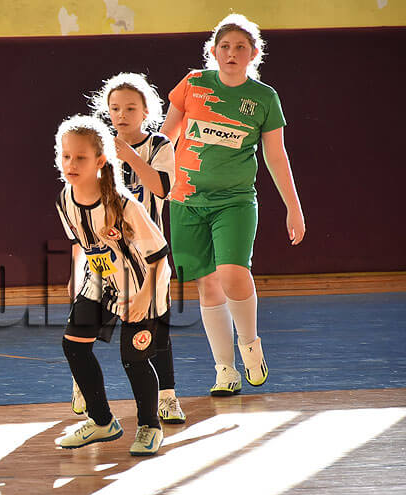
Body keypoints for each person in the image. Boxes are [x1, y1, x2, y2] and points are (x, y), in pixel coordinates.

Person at [160, 13, 305, 395]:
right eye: (225, 46)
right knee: (207, 285)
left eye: (240, 47)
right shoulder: (193, 84)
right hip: (185, 199)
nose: (231, 52)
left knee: (232, 273)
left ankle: (250, 345)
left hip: (234, 201)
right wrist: (146, 180)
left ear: (254, 53)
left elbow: (276, 156)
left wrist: (293, 207)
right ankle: (225, 370)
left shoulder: (263, 98)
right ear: (213, 51)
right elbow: (166, 137)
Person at [53, 116, 171, 456]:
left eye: (81, 157)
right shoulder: (65, 200)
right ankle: (102, 421)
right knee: (74, 346)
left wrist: (146, 296)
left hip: (141, 284)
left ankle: (150, 426)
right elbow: (83, 245)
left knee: (133, 359)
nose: (71, 164)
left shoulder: (123, 205)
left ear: (100, 161)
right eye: (66, 156)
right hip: (100, 281)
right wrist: (77, 279)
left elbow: (159, 256)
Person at [81, 71, 186, 424]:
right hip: (107, 252)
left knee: (156, 324)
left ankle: (167, 397)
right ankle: (82, 384)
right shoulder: (97, 146)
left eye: (129, 108)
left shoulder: (158, 145)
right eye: (114, 108)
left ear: (146, 111)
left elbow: (162, 189)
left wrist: (129, 156)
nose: (121, 115)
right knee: (88, 318)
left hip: (148, 253)